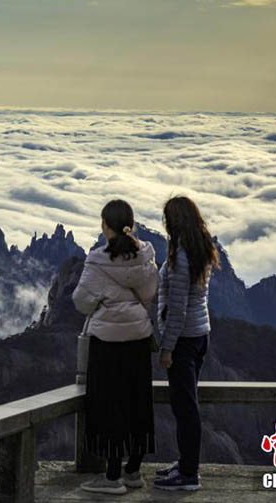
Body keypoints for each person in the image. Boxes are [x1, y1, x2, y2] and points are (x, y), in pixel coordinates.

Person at [71, 199, 159, 495]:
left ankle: (111, 477)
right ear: (130, 225)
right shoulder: (145, 256)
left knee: (109, 405)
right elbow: (150, 292)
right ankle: (133, 471)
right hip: (138, 341)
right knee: (136, 402)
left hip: (107, 344)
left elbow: (82, 302)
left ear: (105, 226)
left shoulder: (97, 261)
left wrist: (104, 299)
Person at [153, 195, 219, 491]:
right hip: (199, 334)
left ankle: (189, 474)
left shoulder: (181, 256)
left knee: (185, 408)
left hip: (184, 340)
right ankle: (185, 464)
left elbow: (177, 307)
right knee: (186, 406)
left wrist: (167, 347)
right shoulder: (199, 248)